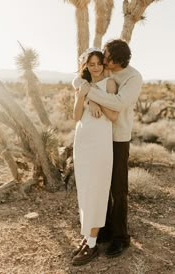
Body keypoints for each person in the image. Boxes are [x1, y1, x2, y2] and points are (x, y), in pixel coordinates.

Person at [74, 39, 142, 258]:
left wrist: (89, 94)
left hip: (118, 137)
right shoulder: (106, 71)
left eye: (107, 57)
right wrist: (87, 101)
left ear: (118, 61)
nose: (102, 60)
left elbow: (117, 104)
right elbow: (80, 80)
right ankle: (102, 230)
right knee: (99, 185)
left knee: (118, 189)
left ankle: (120, 238)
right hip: (98, 138)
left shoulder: (133, 77)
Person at [72, 48, 118, 266]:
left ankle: (92, 244)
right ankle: (87, 236)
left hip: (100, 144)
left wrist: (97, 100)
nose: (96, 67)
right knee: (85, 189)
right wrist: (84, 96)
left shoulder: (108, 84)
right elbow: (75, 116)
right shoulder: (82, 85)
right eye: (91, 64)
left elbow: (113, 115)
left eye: (99, 63)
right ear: (86, 66)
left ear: (104, 64)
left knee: (98, 190)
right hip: (82, 141)